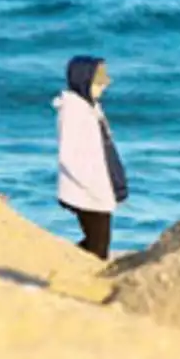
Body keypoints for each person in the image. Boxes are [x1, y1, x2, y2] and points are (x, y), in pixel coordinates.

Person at [54, 55, 128, 260]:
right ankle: (62, 264)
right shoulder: (73, 111)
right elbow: (69, 156)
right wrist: (94, 184)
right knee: (97, 246)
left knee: (98, 242)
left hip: (98, 191)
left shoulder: (90, 106)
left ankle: (64, 262)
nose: (105, 84)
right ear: (84, 80)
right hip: (87, 192)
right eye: (99, 80)